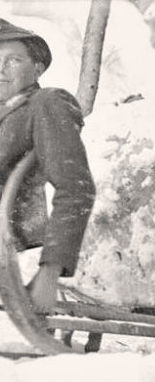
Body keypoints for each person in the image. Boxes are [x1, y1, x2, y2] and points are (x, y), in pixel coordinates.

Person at [0, 18, 95, 312]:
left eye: (13, 60)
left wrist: (50, 270)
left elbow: (76, 188)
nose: (1, 69)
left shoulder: (45, 104)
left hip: (14, 246)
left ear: (37, 69)